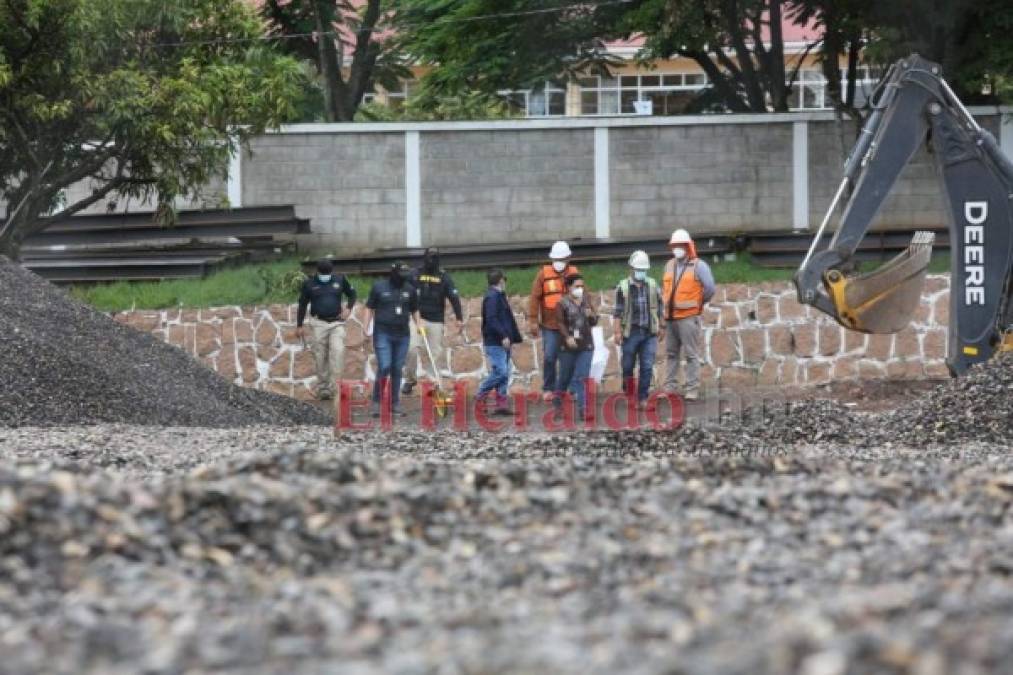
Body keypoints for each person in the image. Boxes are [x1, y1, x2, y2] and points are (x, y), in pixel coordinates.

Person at [661, 229, 716, 400]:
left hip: (688, 317)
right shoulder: (669, 265)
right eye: (674, 245)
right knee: (671, 354)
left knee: (691, 354)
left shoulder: (699, 266)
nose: (676, 248)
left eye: (680, 245)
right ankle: (670, 387)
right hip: (670, 317)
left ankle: (692, 388)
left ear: (687, 246)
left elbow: (710, 289)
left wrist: (697, 305)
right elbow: (666, 290)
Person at [402, 247, 464, 395]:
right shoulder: (414, 274)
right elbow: (405, 295)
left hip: (436, 320)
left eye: (435, 257)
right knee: (411, 348)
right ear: (424, 258)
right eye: (430, 257)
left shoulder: (443, 277)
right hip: (417, 317)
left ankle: (433, 382)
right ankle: (410, 379)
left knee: (435, 353)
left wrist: (459, 317)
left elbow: (453, 296)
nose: (432, 260)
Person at [295, 259, 357, 401]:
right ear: (318, 272)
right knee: (320, 356)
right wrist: (299, 325)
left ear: (332, 271)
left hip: (337, 323)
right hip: (318, 323)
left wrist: (348, 309)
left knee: (338, 352)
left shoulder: (340, 280)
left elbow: (352, 294)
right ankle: (323, 388)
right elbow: (302, 304)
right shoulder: (309, 284)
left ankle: (336, 388)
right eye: (323, 274)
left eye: (328, 273)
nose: (326, 276)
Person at [364, 261, 419, 417]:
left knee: (396, 368)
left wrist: (419, 325)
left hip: (403, 334)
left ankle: (394, 402)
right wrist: (366, 327)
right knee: (385, 365)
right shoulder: (379, 287)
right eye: (401, 275)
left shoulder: (410, 289)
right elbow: (369, 308)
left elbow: (415, 309)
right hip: (383, 333)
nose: (404, 278)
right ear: (393, 274)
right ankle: (376, 401)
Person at [528, 240, 579, 402]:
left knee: (570, 358)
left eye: (562, 259)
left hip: (570, 326)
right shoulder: (543, 274)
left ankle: (570, 388)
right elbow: (535, 298)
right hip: (550, 326)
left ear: (568, 258)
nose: (559, 263)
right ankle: (548, 388)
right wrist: (533, 320)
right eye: (556, 259)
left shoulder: (574, 273)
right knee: (550, 357)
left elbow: (582, 297)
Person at [613, 250, 663, 408]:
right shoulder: (623, 288)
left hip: (649, 333)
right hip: (630, 333)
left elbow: (660, 307)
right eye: (638, 269)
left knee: (647, 366)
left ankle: (642, 398)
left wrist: (662, 326)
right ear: (631, 269)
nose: (641, 272)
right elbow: (618, 312)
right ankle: (629, 394)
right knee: (627, 366)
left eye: (643, 270)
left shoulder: (653, 285)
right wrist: (617, 332)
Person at [478, 268, 522, 415]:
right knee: (501, 372)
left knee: (504, 372)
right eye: (504, 279)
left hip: (502, 341)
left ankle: (501, 404)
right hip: (496, 341)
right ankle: (480, 396)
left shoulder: (497, 295)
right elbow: (492, 319)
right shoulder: (493, 297)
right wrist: (503, 335)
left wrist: (510, 336)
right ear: (501, 280)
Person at [554, 274, 597, 419]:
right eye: (576, 286)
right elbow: (559, 323)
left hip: (586, 344)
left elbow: (594, 321)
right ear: (568, 287)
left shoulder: (586, 300)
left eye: (582, 286)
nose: (580, 289)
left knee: (582, 376)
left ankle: (583, 409)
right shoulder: (562, 303)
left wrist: (591, 315)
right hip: (568, 346)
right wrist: (567, 337)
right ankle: (558, 402)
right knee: (565, 376)